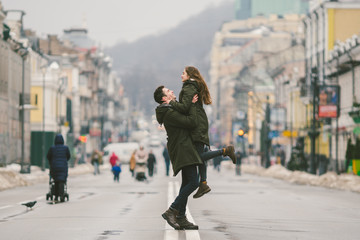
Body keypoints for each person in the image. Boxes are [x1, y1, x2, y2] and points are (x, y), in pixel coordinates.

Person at [165, 66, 236, 199]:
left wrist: (172, 102)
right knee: (200, 154)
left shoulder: (189, 87)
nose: (181, 75)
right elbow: (188, 106)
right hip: (200, 124)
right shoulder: (193, 86)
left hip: (196, 126)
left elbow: (185, 107)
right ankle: (203, 183)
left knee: (196, 157)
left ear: (189, 75)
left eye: (183, 73)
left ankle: (225, 151)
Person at [154, 85, 202, 230]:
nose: (172, 91)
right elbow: (191, 122)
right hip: (183, 150)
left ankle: (181, 217)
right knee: (194, 182)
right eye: (168, 91)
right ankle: (172, 210)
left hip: (184, 148)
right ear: (164, 98)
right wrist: (192, 105)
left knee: (186, 182)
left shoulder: (169, 110)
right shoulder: (169, 113)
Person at [47, 134, 70, 202]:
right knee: (62, 180)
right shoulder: (66, 148)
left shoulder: (52, 148)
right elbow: (68, 156)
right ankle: (62, 194)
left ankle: (56, 196)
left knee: (56, 180)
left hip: (54, 167)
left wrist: (51, 162)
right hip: (63, 167)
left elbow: (48, 156)